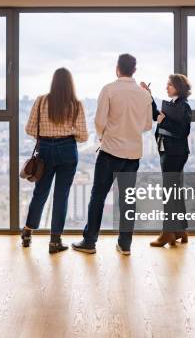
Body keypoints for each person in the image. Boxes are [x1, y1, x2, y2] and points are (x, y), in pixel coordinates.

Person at [72, 53, 153, 256]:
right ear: (134, 70)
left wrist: (102, 137)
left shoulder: (108, 89)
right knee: (127, 199)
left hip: (110, 152)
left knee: (98, 196)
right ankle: (125, 245)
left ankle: (90, 242)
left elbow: (99, 121)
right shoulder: (144, 95)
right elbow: (147, 125)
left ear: (117, 68)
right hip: (133, 154)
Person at [21, 68, 88, 254]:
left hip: (45, 150)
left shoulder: (41, 101)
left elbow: (29, 129)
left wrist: (46, 135)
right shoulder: (76, 104)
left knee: (40, 192)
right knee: (61, 196)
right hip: (68, 150)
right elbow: (83, 136)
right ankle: (54, 241)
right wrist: (68, 132)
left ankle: (27, 232)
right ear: (70, 83)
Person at [140, 74, 192, 247]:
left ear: (178, 87)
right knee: (174, 191)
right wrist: (149, 96)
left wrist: (165, 120)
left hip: (174, 153)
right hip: (169, 151)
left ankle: (167, 233)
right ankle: (180, 230)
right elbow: (157, 116)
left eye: (170, 85)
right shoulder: (174, 105)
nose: (167, 87)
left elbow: (182, 131)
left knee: (169, 193)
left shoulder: (183, 106)